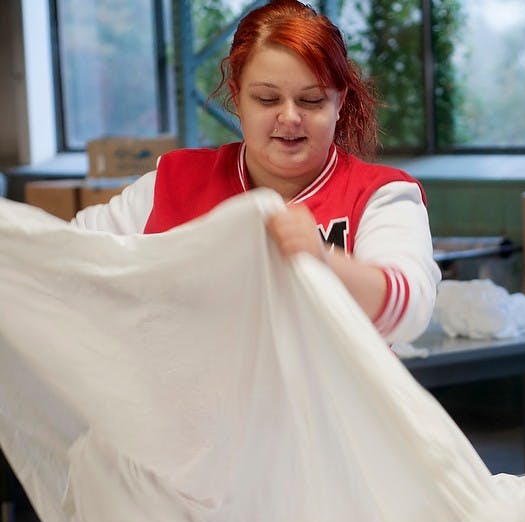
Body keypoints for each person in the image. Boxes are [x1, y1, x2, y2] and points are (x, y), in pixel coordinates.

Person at [72, 0, 440, 344]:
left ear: (339, 102)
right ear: (237, 97)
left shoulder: (380, 196)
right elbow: (69, 254)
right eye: (267, 99)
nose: (290, 117)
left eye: (311, 100)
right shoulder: (174, 180)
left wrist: (323, 263)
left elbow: (410, 309)